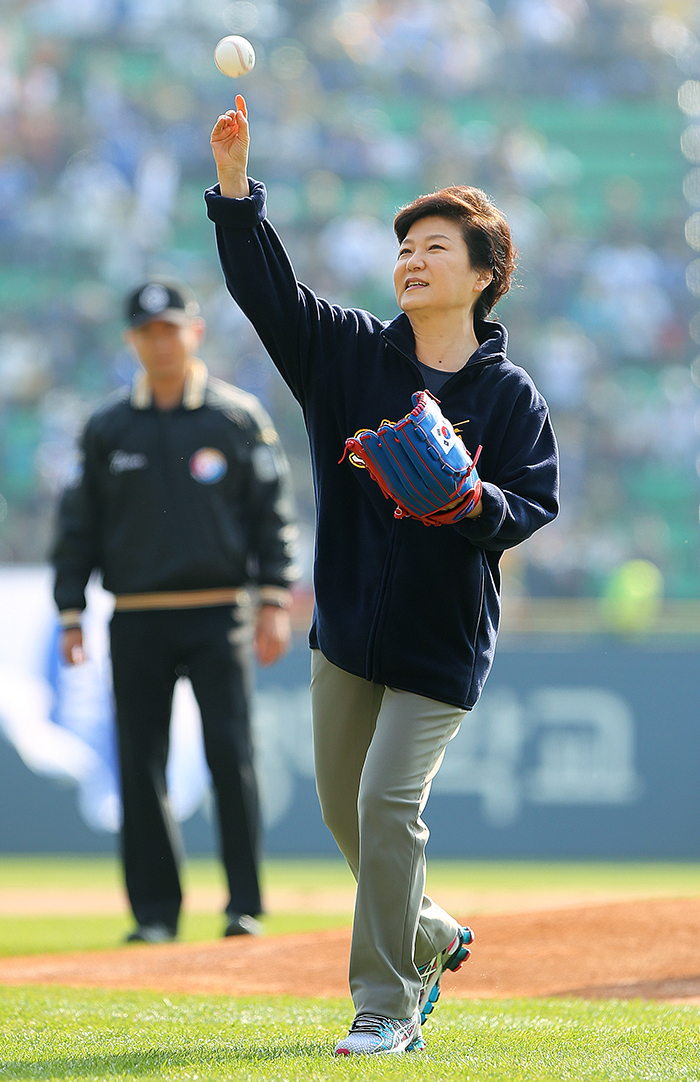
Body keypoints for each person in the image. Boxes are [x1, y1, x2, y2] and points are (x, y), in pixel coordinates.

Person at [206, 96, 559, 1055]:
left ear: (484, 276)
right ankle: (431, 931)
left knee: (385, 804)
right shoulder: (349, 354)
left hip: (440, 646)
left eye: (436, 247)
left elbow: (532, 504)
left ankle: (386, 1007)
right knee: (342, 811)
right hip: (348, 633)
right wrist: (235, 188)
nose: (412, 258)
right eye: (405, 247)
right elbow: (268, 294)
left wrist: (470, 503)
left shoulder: (508, 396)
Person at [51, 276, 298, 943]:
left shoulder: (236, 416)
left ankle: (243, 906)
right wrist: (71, 610)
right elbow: (78, 526)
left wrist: (274, 598)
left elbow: (272, 514)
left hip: (220, 612)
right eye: (147, 333)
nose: (160, 343)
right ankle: (155, 914)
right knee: (139, 764)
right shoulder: (107, 427)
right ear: (132, 341)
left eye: (170, 330)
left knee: (231, 756)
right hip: (136, 614)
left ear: (194, 333)